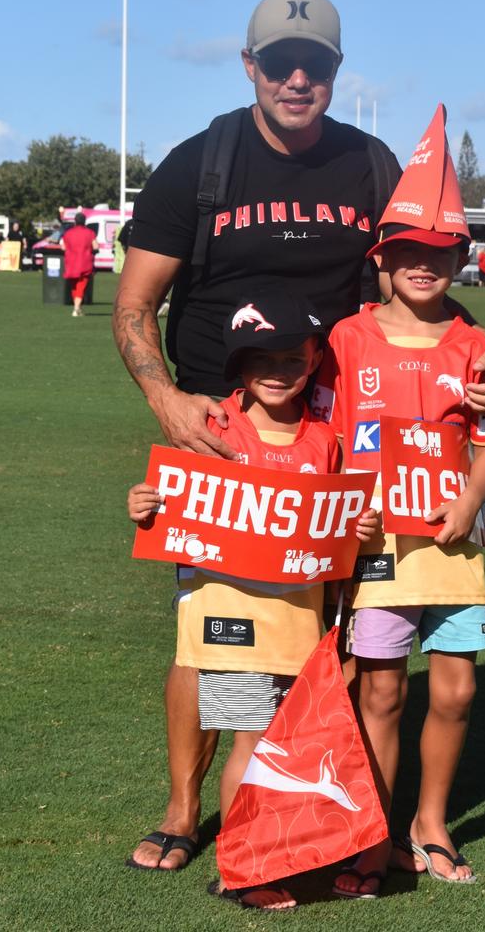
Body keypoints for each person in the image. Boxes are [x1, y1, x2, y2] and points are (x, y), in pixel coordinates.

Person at [112, 0, 485, 872]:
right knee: (207, 621)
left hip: (336, 433)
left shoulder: (370, 164)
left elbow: (421, 280)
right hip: (218, 428)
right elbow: (135, 307)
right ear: (251, 65)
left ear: (335, 73)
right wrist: (168, 402)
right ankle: (185, 811)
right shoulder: (203, 162)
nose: (299, 79)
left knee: (324, 624)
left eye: (318, 65)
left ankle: (316, 804)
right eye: (281, 63)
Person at [313, 105, 485, 898]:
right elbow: (325, 438)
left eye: (439, 253)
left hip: (453, 544)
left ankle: (430, 823)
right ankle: (372, 832)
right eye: (407, 252)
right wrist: (341, 512)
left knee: (457, 688)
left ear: (459, 260)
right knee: (383, 688)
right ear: (382, 258)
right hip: (377, 548)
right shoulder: (347, 337)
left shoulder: (473, 343)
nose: (423, 265)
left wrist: (469, 503)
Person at [126, 293, 377, 908]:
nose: (276, 370)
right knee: (251, 739)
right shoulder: (215, 428)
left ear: (314, 360)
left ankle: (265, 852)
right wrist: (144, 504)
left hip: (296, 622)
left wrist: (359, 529)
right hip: (227, 617)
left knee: (279, 743)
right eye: (260, 359)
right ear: (238, 366)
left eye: (292, 358)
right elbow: (166, 497)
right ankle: (246, 867)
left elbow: (337, 528)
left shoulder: (325, 440)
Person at [60, 212, 98, 316]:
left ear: (75, 221)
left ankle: (78, 308)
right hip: (85, 263)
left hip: (71, 263)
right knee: (81, 286)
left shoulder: (68, 233)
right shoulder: (90, 233)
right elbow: (96, 246)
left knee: (74, 286)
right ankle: (76, 308)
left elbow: (63, 247)